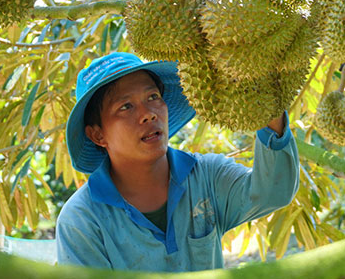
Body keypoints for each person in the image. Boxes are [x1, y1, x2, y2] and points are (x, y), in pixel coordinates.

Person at [56, 52, 299, 271]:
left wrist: (268, 107)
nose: (149, 113)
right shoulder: (82, 220)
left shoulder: (206, 176)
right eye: (126, 106)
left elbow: (272, 192)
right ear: (98, 134)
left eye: (153, 96)